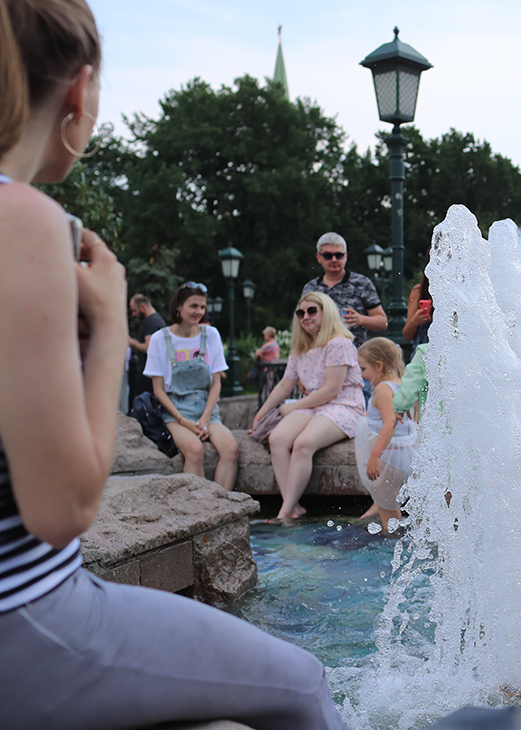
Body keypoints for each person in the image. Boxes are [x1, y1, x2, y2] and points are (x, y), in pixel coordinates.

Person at [0, 1, 344, 727]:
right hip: (28, 616)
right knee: (305, 686)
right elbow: (62, 511)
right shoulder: (23, 219)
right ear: (77, 92)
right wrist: (107, 316)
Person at [252, 292, 365, 520]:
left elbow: (332, 390)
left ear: (326, 312)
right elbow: (285, 385)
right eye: (300, 312)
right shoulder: (301, 348)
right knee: (277, 439)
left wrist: (293, 407)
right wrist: (260, 415)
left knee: (303, 444)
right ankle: (293, 507)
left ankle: (284, 513)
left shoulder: (339, 343)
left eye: (312, 310)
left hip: (343, 405)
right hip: (314, 405)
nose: (305, 316)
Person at [144, 282, 239, 490]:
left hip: (207, 410)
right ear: (178, 307)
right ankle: (198, 508)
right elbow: (158, 390)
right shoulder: (160, 338)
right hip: (176, 412)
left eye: (202, 307)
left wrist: (205, 419)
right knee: (194, 449)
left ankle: (223, 503)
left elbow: (216, 383)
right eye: (193, 306)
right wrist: (183, 420)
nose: (199, 312)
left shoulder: (211, 335)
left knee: (230, 448)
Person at [355, 338, 416, 534]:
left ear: (378, 365)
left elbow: (390, 422)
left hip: (387, 460)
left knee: (389, 520)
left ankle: (389, 547)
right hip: (404, 457)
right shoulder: (405, 386)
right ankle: (379, 506)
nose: (362, 374)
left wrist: (375, 455)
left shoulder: (383, 389)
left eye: (363, 368)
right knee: (390, 502)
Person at [301, 231, 387, 346]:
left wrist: (361, 319)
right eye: (327, 256)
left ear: (346, 256)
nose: (334, 260)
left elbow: (383, 322)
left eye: (339, 255)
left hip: (354, 355)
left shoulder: (361, 283)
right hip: (319, 355)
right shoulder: (310, 288)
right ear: (319, 257)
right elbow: (301, 321)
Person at [127, 293, 167, 409]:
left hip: (146, 375)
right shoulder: (157, 320)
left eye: (134, 310)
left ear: (143, 307)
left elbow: (148, 348)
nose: (134, 314)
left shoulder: (151, 322)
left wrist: (131, 342)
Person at [402, 253, 432, 361]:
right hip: (421, 357)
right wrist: (414, 321)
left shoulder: (458, 294)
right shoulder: (418, 292)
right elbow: (407, 336)